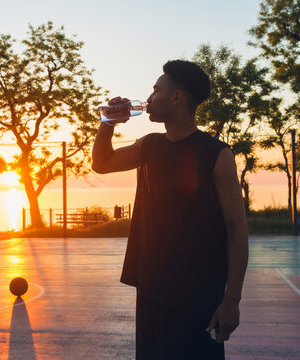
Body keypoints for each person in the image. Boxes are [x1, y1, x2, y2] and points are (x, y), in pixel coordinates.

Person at [92, 60, 248, 359]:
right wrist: (107, 123)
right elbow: (102, 163)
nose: (148, 98)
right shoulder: (149, 147)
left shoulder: (216, 154)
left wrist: (232, 300)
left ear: (176, 97)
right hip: (152, 290)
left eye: (156, 90)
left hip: (200, 296)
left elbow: (237, 229)